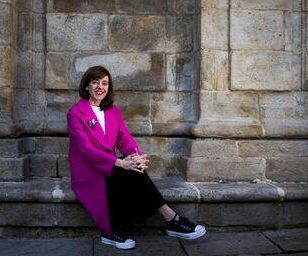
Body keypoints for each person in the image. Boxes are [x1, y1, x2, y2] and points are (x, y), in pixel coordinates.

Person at [66, 65, 206, 250]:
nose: (100, 86)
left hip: (109, 166)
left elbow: (124, 139)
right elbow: (85, 150)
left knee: (134, 168)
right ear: (86, 86)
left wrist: (135, 156)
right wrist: (120, 162)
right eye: (95, 82)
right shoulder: (75, 113)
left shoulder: (112, 111)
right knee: (129, 170)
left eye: (105, 83)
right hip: (89, 172)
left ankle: (167, 220)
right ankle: (171, 220)